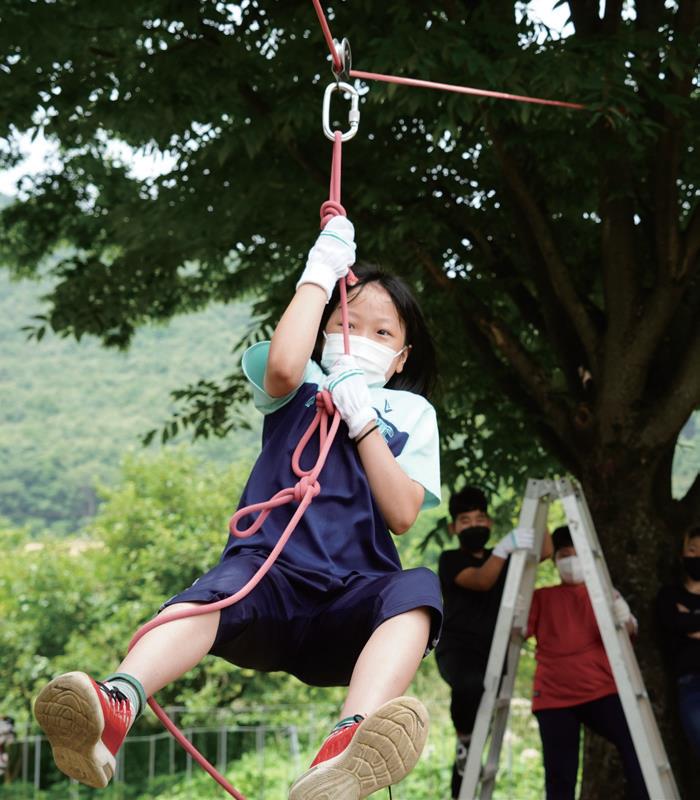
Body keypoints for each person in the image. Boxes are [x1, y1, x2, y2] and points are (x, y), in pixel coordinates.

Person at [33, 216, 444, 800]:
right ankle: (116, 702)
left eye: (382, 333)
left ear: (401, 357)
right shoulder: (300, 380)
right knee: (212, 592)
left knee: (418, 591)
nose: (361, 339)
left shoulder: (411, 415)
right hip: (268, 580)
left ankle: (346, 747)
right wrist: (319, 271)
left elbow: (403, 512)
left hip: (351, 600)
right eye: (345, 324)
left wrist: (363, 422)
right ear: (325, 331)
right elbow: (281, 365)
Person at [435, 485, 545, 799]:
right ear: (453, 527)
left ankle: (464, 772)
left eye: (480, 518)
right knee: (470, 684)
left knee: (482, 722)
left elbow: (545, 551)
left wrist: (538, 514)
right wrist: (503, 550)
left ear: (490, 523)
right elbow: (482, 581)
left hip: (494, 650)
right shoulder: (450, 559)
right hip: (457, 649)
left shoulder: (507, 557)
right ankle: (465, 742)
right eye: (465, 520)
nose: (474, 525)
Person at [527, 526, 648, 800]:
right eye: (565, 554)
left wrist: (625, 617)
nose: (571, 560)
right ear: (556, 560)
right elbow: (517, 630)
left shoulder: (604, 594)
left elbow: (628, 631)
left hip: (601, 690)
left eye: (576, 553)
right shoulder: (543, 597)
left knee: (639, 749)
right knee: (560, 777)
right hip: (554, 697)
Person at [655, 524, 700, 756]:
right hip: (691, 684)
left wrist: (688, 619)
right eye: (693, 550)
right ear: (682, 553)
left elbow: (685, 625)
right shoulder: (669, 595)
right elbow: (674, 624)